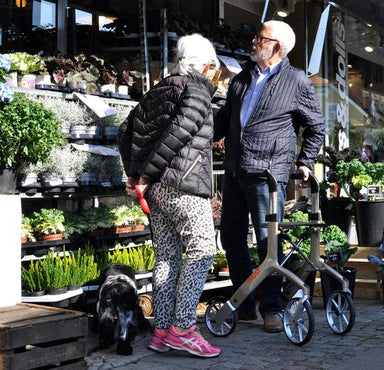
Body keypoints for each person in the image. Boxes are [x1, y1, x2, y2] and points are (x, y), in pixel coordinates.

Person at [214, 20, 325, 333]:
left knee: (268, 244)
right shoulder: (242, 78)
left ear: (277, 47)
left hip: (268, 175)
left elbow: (316, 126)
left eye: (259, 38)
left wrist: (305, 161)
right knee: (231, 239)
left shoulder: (297, 81)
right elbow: (222, 121)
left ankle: (272, 309)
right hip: (235, 171)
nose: (253, 41)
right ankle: (245, 303)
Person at [118, 33, 221, 358]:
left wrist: (136, 175)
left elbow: (125, 130)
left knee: (167, 257)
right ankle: (183, 328)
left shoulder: (159, 88)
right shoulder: (197, 89)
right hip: (184, 186)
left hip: (158, 190)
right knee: (203, 249)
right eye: (213, 66)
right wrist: (145, 175)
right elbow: (179, 131)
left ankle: (161, 331)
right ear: (206, 64)